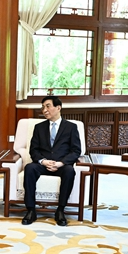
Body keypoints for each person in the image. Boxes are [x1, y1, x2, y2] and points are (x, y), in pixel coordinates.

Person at [21, 95, 83, 226]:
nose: (44, 110)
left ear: (58, 108)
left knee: (70, 171)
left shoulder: (71, 127)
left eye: (48, 106)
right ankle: (31, 210)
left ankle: (60, 210)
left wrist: (61, 163)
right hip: (43, 164)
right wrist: (43, 161)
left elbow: (76, 150)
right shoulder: (39, 127)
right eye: (43, 107)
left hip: (62, 164)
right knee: (29, 168)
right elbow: (33, 150)